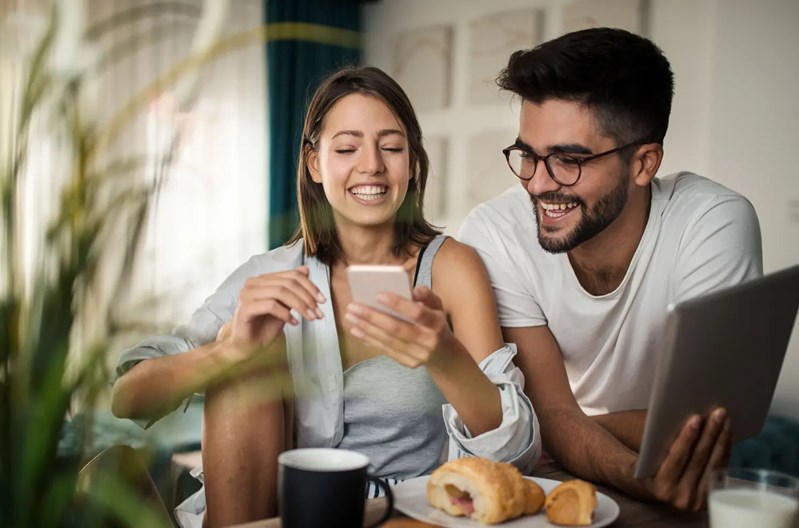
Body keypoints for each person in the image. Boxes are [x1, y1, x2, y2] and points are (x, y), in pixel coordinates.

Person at [111, 66, 540, 527]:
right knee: (244, 351)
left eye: (391, 147)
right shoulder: (269, 274)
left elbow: (519, 454)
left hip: (401, 516)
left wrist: (444, 356)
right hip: (275, 515)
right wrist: (229, 351)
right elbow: (128, 400)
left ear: (412, 161)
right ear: (315, 163)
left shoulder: (451, 268)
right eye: (347, 148)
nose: (372, 165)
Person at [458, 28, 762, 511]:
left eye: (568, 160)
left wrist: (560, 428)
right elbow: (552, 413)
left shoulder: (710, 222)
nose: (538, 184)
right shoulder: (496, 232)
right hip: (566, 480)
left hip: (656, 483)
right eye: (529, 155)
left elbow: (701, 429)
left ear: (644, 163)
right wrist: (616, 459)